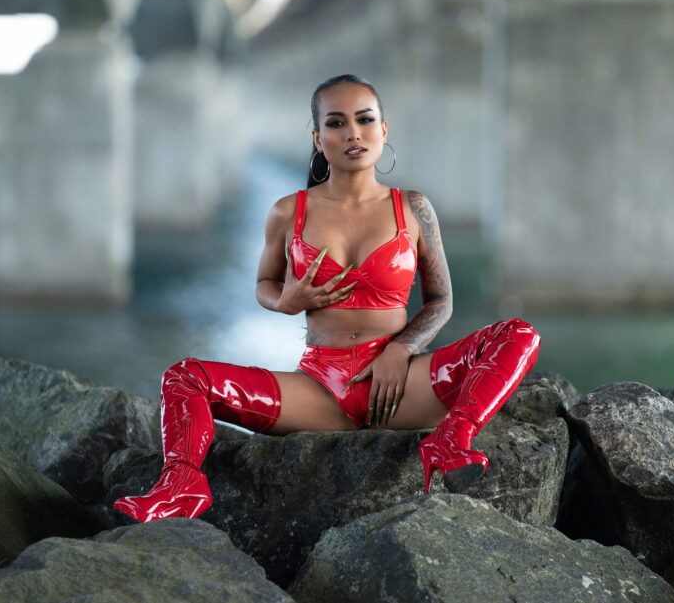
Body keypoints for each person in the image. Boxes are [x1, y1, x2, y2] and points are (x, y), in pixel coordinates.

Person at [114, 74, 541, 522]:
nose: (353, 133)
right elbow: (264, 284)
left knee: (519, 333)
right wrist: (288, 300)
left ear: (383, 130)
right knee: (185, 376)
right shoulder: (288, 211)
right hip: (318, 390)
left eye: (365, 119)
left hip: (400, 386)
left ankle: (451, 440)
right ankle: (182, 486)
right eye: (336, 123)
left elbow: (441, 302)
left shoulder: (413, 208)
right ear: (319, 138)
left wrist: (402, 350)